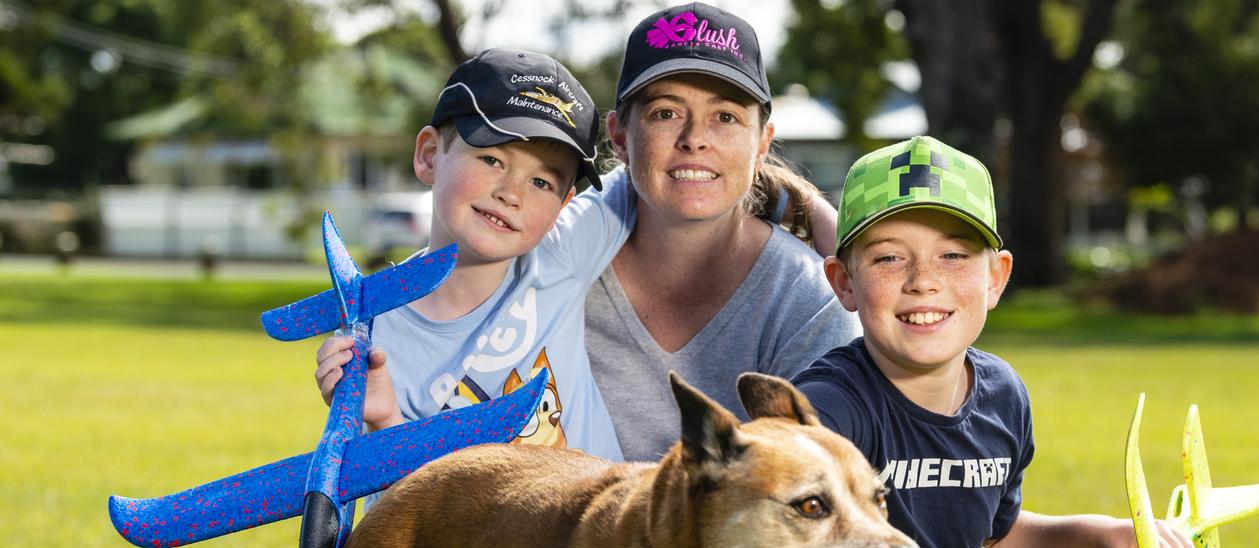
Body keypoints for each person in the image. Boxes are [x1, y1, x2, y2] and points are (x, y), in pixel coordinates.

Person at [790, 135, 1200, 548]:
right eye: (888, 258)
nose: (922, 280)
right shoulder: (830, 410)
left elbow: (991, 546)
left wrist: (1099, 535)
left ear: (996, 278)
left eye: (953, 255)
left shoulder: (1003, 395)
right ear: (843, 283)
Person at [315, 48, 627, 464]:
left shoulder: (563, 250)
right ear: (429, 154)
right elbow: (404, 513)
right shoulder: (375, 334)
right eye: (492, 158)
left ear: (564, 203)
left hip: (596, 525)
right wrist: (384, 419)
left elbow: (671, 162)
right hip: (464, 528)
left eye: (541, 182)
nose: (511, 194)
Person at [581, 1, 861, 462]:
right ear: (618, 137)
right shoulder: (558, 268)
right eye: (666, 113)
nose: (695, 138)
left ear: (762, 144)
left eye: (725, 117)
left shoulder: (807, 299)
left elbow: (809, 489)